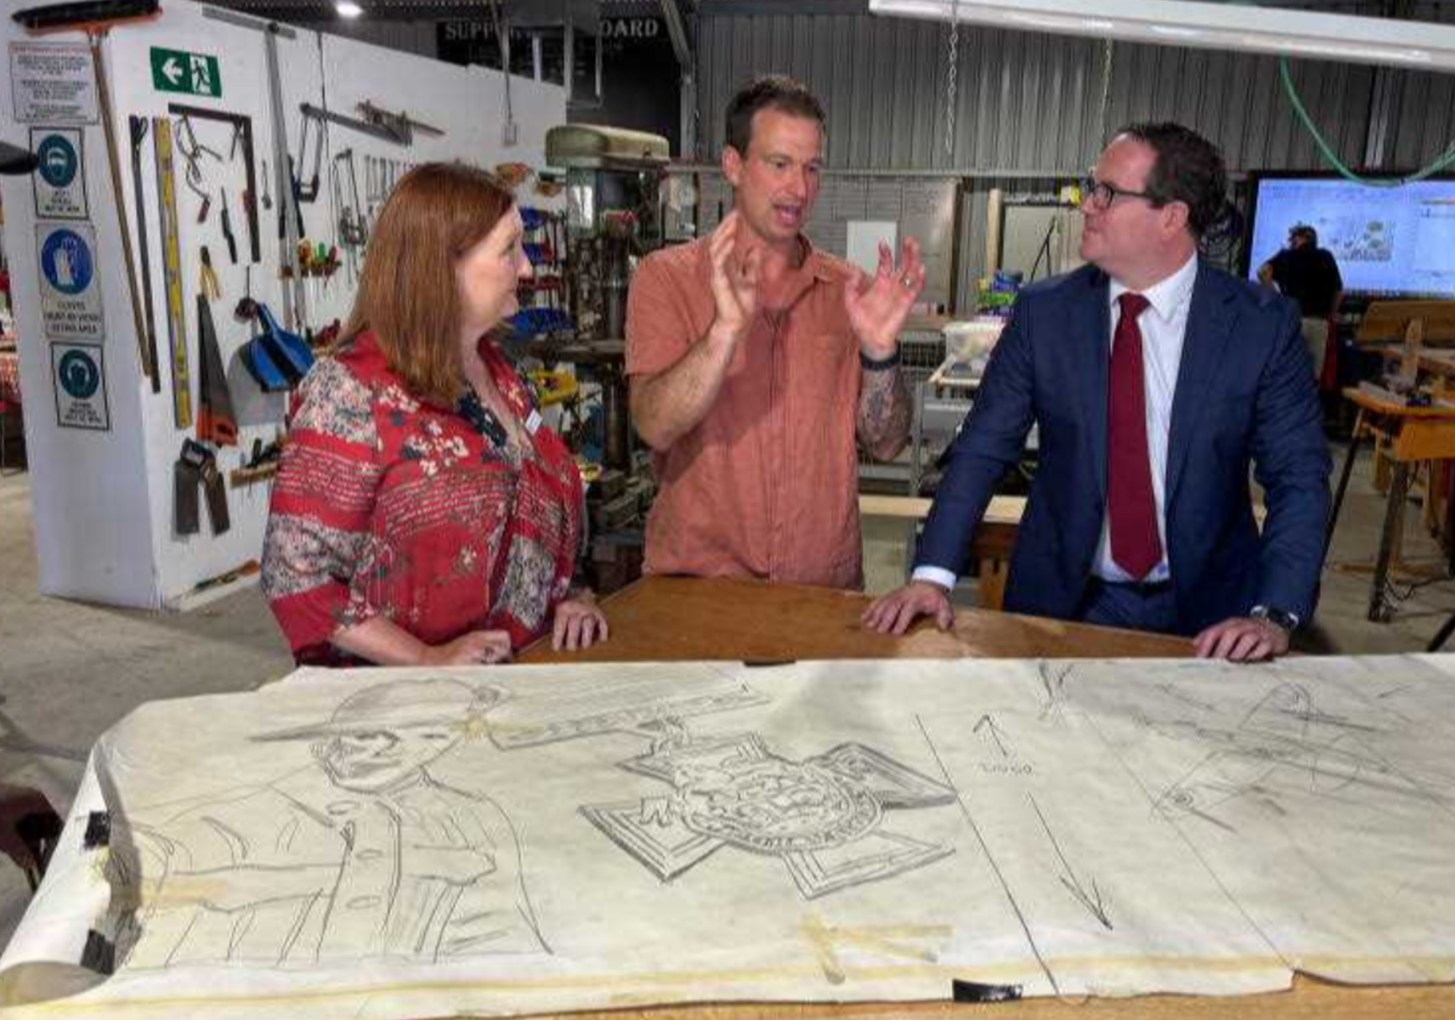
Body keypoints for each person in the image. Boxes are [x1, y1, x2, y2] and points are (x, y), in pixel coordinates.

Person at [865, 123, 1330, 662]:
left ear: (1172, 217)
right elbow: (983, 449)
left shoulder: (1259, 326)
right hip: (1065, 603)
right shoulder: (1045, 313)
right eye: (1092, 187)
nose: (1087, 205)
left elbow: (1298, 477)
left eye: (1107, 193)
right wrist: (933, 574)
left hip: (1211, 613)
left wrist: (1274, 611)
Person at [262, 162, 608, 666]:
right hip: (397, 711)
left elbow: (539, 506)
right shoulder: (352, 394)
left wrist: (571, 596)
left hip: (511, 683)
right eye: (509, 250)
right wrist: (426, 658)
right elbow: (294, 571)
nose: (528, 268)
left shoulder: (502, 375)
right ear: (442, 267)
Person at [625, 76, 920, 591]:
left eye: (811, 168)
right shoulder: (666, 277)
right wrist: (724, 332)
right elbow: (654, 425)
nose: (800, 189)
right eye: (779, 164)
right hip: (699, 594)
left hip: (821, 593)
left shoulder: (848, 293)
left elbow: (888, 442)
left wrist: (879, 353)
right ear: (733, 165)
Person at [124, 678, 549, 967]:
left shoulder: (471, 817)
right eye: (369, 734)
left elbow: (504, 937)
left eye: (430, 736)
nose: (387, 751)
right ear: (332, 737)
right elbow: (154, 879)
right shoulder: (240, 817)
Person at [1258, 224, 1344, 380]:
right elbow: (1339, 291)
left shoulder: (1287, 256)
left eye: (1292, 239)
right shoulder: (1326, 256)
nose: (1290, 242)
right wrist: (1332, 313)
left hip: (1294, 321)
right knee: (1312, 378)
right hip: (1320, 323)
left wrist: (1277, 298)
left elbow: (1262, 272)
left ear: (1299, 238)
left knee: (1288, 373)